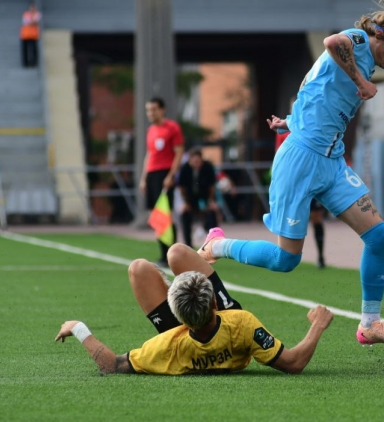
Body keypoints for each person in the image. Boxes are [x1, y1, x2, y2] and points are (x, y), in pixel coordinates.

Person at [198, 0, 384, 346]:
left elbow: (316, 86)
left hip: (331, 161)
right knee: (286, 260)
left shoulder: (367, 59)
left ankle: (370, 324)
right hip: (300, 160)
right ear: (380, 35)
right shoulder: (358, 41)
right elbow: (332, 43)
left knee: (379, 236)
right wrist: (361, 82)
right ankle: (218, 245)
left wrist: (291, 119)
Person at [54, 244, 334, 375]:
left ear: (177, 315)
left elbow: (112, 365)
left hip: (185, 336)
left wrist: (77, 327)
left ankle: (184, 276)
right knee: (177, 253)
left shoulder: (167, 344)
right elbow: (294, 363)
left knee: (139, 268)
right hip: (223, 323)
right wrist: (318, 325)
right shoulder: (242, 323)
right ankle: (211, 247)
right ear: (214, 303)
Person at [274, 119, 328, 268]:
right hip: (294, 184)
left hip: (312, 180)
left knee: (317, 218)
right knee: (291, 219)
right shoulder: (283, 130)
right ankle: (286, 253)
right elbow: (280, 156)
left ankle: (321, 256)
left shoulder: (312, 124)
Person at [138, 97, 184, 266]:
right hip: (152, 174)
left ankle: (172, 254)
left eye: (154, 109)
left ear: (162, 110)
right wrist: (144, 178)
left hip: (164, 174)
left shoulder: (172, 128)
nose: (150, 113)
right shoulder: (151, 130)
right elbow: (149, 154)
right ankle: (163, 253)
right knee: (156, 216)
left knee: (165, 215)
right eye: (148, 110)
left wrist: (171, 175)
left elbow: (179, 152)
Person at [177, 146, 220, 247]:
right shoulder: (184, 169)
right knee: (184, 214)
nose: (196, 164)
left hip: (205, 198)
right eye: (194, 161)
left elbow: (212, 186)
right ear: (190, 160)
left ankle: (214, 243)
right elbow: (181, 187)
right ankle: (188, 244)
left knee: (212, 214)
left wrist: (211, 201)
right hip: (190, 199)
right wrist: (185, 203)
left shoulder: (208, 167)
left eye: (198, 161)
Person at [20, 2, 41, 67]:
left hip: (34, 35)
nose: (32, 8)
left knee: (34, 50)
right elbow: (26, 22)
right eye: (31, 7)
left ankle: (34, 63)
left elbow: (35, 21)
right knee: (25, 50)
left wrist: (31, 22)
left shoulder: (37, 14)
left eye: (33, 7)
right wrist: (32, 22)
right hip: (25, 35)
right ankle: (25, 63)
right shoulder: (26, 14)